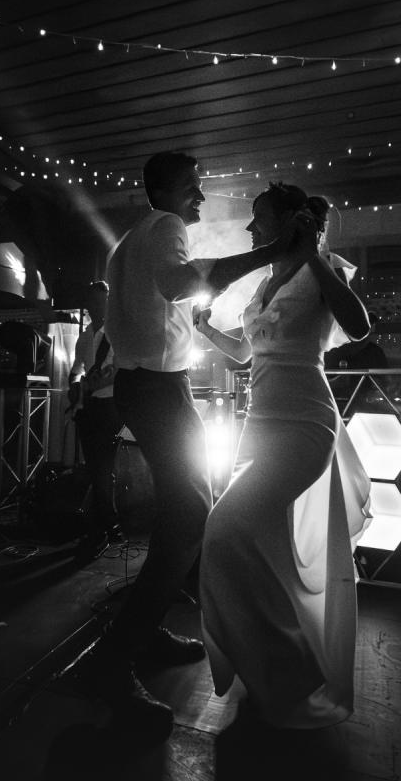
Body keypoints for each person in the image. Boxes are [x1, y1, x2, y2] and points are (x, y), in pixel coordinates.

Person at [78, 151, 314, 734]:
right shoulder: (166, 226)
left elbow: (148, 305)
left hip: (145, 386)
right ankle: (113, 660)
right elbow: (180, 283)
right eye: (192, 187)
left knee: (182, 516)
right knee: (190, 517)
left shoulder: (127, 241)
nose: (201, 198)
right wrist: (268, 253)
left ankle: (144, 632)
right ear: (164, 190)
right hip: (159, 388)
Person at [194, 182, 373, 728]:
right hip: (259, 426)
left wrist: (313, 254)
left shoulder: (324, 271)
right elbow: (246, 353)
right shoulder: (264, 282)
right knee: (261, 550)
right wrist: (206, 330)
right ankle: (278, 669)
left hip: (305, 423)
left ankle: (285, 666)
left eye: (259, 218)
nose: (251, 229)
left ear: (290, 221)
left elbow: (360, 328)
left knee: (225, 531)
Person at [66, 281, 120, 559]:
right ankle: (106, 524)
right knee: (96, 468)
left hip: (110, 406)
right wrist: (75, 384)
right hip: (89, 407)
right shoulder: (85, 336)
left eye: (102, 301)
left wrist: (91, 384)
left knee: (102, 469)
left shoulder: (118, 332)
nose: (97, 306)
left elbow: (119, 371)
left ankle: (102, 528)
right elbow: (77, 368)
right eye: (93, 301)